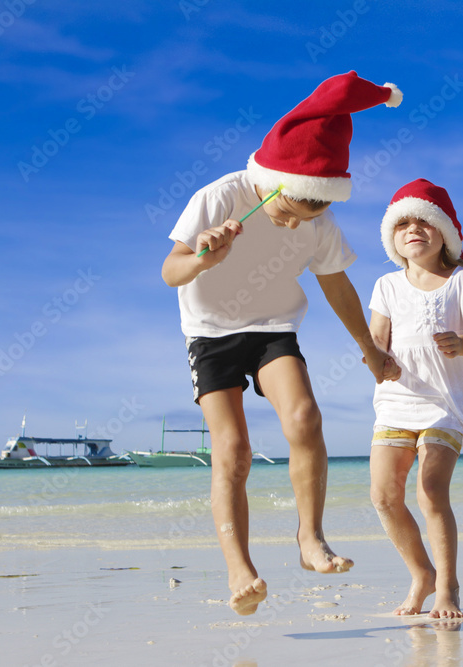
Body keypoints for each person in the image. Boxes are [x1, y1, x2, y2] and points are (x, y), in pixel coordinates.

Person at [161, 72, 402, 616]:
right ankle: (239, 569)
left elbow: (336, 283)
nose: (295, 225)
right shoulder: (220, 197)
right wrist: (204, 257)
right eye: (288, 211)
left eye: (307, 217)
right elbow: (170, 272)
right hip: (211, 334)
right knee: (235, 452)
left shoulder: (317, 218)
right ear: (270, 181)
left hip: (273, 326)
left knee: (305, 419)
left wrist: (368, 347)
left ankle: (309, 539)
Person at [367, 179, 463, 620]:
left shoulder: (461, 281)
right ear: (392, 238)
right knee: (383, 496)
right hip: (396, 401)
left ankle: (448, 586)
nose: (413, 229)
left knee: (430, 490)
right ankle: (420, 574)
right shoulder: (385, 285)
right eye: (402, 223)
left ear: (445, 234)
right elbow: (375, 341)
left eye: (424, 220)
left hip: (446, 403)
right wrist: (377, 361)